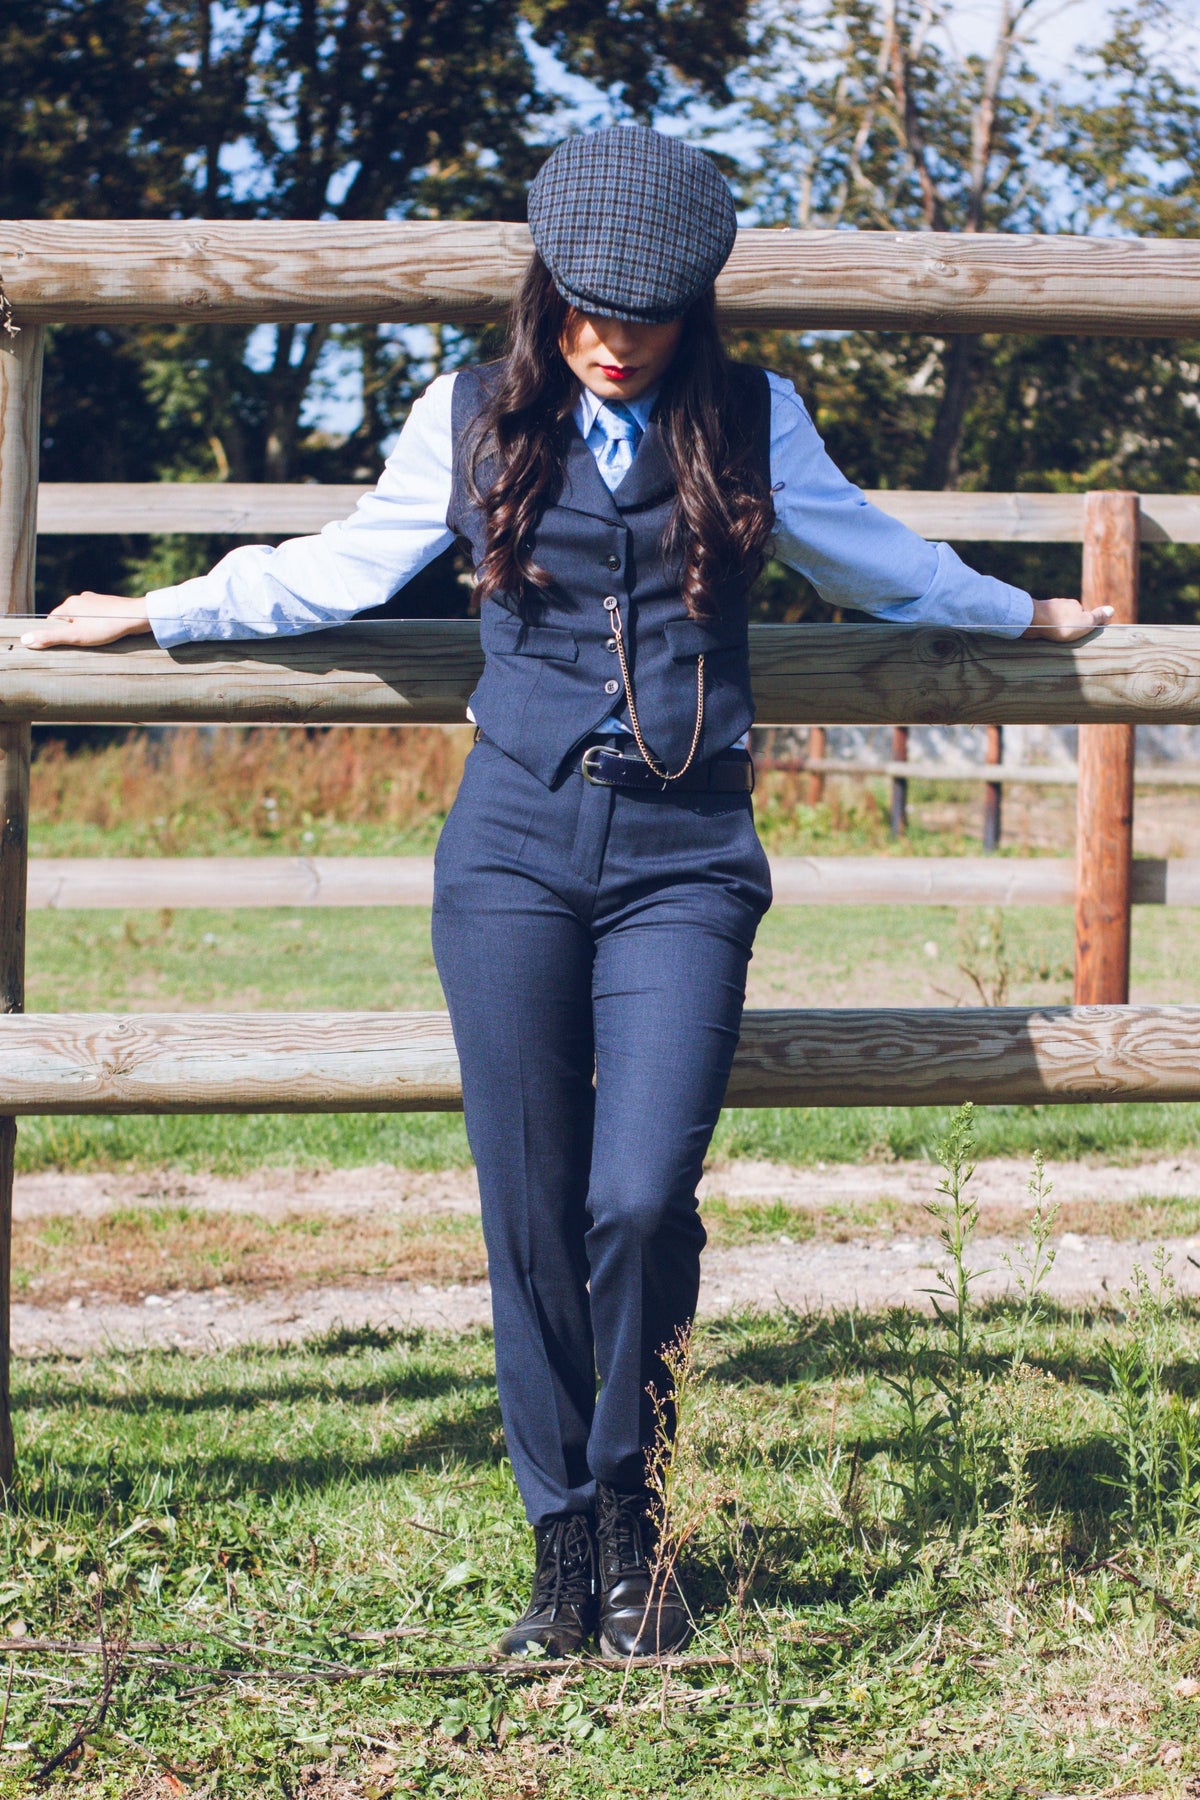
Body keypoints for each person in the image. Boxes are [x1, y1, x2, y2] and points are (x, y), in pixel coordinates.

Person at [25, 125, 1111, 1661]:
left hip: (688, 858)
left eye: (644, 317)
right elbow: (338, 572)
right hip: (514, 852)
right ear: (548, 291)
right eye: (587, 308)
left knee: (638, 1199)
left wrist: (1032, 611)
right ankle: (572, 1552)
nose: (610, 343)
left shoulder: (753, 415)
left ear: (697, 309)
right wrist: (152, 609)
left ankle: (636, 1505)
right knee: (530, 1209)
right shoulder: (468, 415)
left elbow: (879, 563)